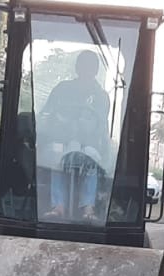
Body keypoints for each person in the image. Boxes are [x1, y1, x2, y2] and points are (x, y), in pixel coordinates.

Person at [38, 50, 110, 219]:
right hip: (60, 140)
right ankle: (58, 207)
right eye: (83, 65)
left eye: (90, 66)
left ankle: (88, 209)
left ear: (95, 70)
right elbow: (46, 114)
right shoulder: (62, 89)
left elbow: (101, 126)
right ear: (77, 67)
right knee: (57, 155)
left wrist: (84, 128)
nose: (86, 69)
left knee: (90, 158)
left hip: (88, 144)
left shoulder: (101, 96)